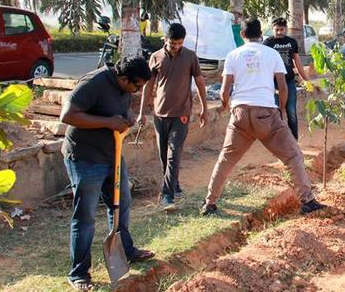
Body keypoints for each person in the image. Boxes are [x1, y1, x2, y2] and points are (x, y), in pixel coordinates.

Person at [201, 18, 325, 217]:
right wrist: (281, 110)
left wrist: (227, 106)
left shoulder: (233, 55)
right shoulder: (272, 53)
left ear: (242, 35)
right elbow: (283, 87)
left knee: (226, 160)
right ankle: (307, 200)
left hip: (240, 114)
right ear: (261, 35)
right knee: (293, 156)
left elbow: (224, 90)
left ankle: (210, 202)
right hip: (266, 113)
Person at [60, 56, 155, 290]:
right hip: (85, 158)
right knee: (86, 218)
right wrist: (106, 122)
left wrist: (128, 116)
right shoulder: (93, 83)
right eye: (136, 87)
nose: (137, 91)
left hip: (112, 155)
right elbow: (68, 115)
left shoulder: (125, 85)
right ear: (123, 78)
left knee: (122, 203)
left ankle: (126, 250)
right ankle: (79, 274)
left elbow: (120, 109)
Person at [137, 23, 209, 211]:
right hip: (160, 114)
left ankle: (167, 195)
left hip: (181, 114)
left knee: (173, 153)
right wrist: (142, 112)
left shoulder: (190, 57)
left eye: (179, 43)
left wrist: (204, 108)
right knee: (163, 154)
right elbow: (148, 86)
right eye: (172, 43)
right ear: (164, 40)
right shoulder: (155, 57)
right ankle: (174, 184)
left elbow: (200, 82)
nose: (176, 47)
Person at [263, 17, 311, 140]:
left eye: (282, 29)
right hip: (272, 83)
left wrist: (305, 80)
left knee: (291, 112)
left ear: (286, 29)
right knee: (275, 112)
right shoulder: (267, 44)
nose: (279, 32)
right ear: (272, 29)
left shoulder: (292, 42)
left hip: (289, 81)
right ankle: (277, 140)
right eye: (277, 29)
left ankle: (294, 140)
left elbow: (297, 62)